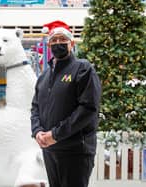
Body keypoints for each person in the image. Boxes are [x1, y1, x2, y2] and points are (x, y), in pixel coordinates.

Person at [31, 20, 101, 187]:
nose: (57, 43)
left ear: (72, 43)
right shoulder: (44, 76)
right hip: (50, 151)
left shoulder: (83, 69)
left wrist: (55, 135)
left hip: (75, 151)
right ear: (49, 46)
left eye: (62, 39)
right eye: (53, 40)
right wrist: (38, 131)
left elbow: (88, 109)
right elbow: (35, 107)